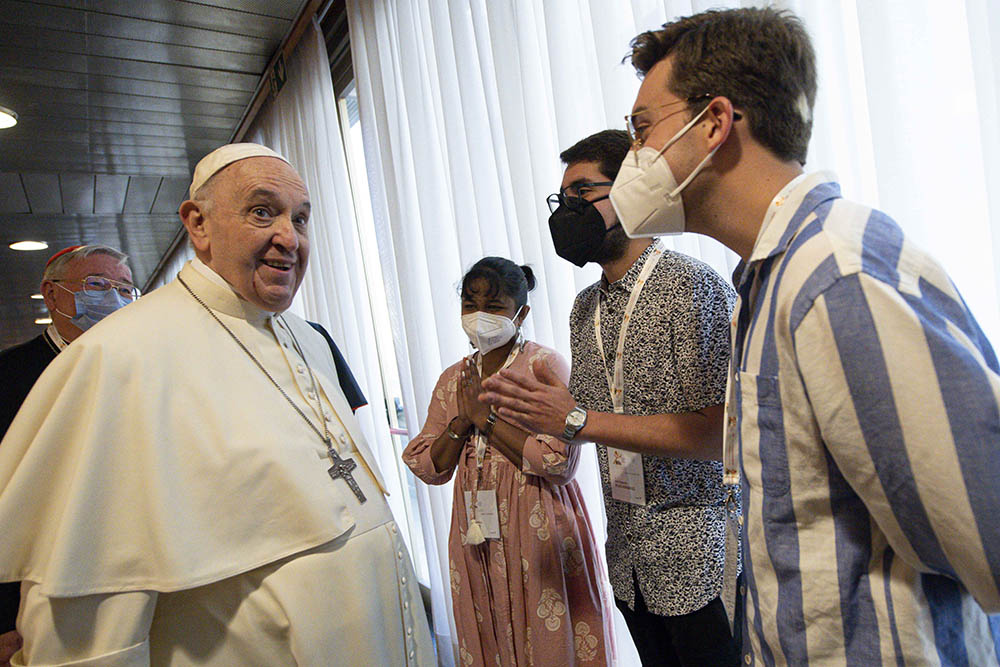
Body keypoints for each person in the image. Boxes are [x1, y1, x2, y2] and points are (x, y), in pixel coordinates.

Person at [605, 7, 999, 664]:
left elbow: (984, 519)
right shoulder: (772, 280)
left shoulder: (833, 274)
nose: (635, 156)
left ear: (715, 125)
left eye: (644, 131)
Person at [0, 143, 433, 665]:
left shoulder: (309, 339)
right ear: (197, 224)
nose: (288, 238)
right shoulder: (118, 358)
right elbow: (88, 616)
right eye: (261, 211)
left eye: (300, 218)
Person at [480, 130, 740, 666]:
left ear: (632, 189)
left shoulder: (692, 286)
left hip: (699, 558)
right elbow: (590, 423)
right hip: (629, 558)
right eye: (561, 200)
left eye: (582, 193)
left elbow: (720, 434)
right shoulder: (583, 309)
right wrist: (534, 411)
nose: (566, 212)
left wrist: (575, 417)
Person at [403, 257, 614, 665]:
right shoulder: (454, 379)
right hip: (476, 535)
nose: (480, 316)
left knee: (548, 639)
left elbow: (558, 462)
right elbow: (428, 466)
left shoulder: (543, 367)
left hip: (537, 527)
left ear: (522, 313)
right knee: (489, 636)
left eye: (494, 306)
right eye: (470, 304)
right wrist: (463, 421)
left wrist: (489, 420)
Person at [0, 244, 136, 665]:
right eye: (97, 284)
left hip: (131, 569)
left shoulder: (146, 366)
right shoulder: (9, 375)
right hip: (39, 584)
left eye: (124, 289)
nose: (112, 297)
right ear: (52, 293)